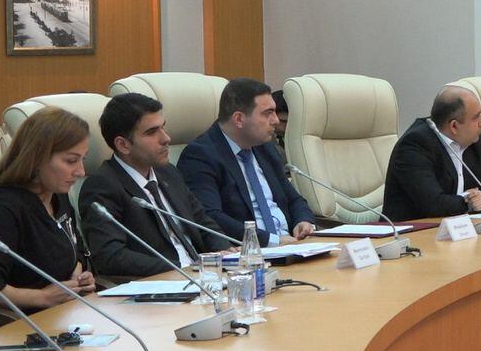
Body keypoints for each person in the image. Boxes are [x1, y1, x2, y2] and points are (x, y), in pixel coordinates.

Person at [79, 94, 235, 279]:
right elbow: (111, 256)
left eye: (163, 127)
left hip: (203, 276)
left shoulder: (168, 172)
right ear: (123, 145)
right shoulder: (102, 186)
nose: (166, 138)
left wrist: (226, 255)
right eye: (152, 132)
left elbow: (202, 222)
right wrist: (183, 268)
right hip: (162, 282)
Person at [0, 107, 96, 314]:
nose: (81, 171)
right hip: (19, 323)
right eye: (71, 161)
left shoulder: (59, 195)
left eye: (83, 159)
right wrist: (43, 297)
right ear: (37, 158)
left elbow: (77, 250)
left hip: (66, 315)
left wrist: (78, 276)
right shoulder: (3, 207)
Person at [178, 78, 316, 246]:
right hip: (251, 252)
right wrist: (273, 241)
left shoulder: (264, 147)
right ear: (239, 119)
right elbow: (210, 217)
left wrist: (303, 221)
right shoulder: (200, 156)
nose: (276, 120)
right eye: (267, 113)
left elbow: (293, 199)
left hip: (292, 245)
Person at [383, 85, 481, 221]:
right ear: (454, 126)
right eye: (476, 117)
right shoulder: (415, 145)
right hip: (415, 230)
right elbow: (433, 204)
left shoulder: (476, 141)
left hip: (462, 228)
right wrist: (469, 202)